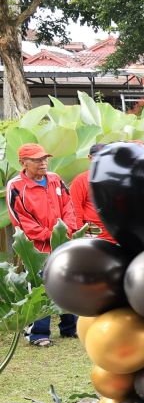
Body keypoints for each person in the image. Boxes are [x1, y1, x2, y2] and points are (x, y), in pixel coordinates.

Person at [6, 143, 80, 346]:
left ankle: (70, 328)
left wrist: (67, 232)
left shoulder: (55, 180)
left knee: (67, 284)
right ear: (23, 163)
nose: (43, 162)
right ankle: (38, 333)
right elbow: (21, 221)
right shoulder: (16, 186)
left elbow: (69, 206)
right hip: (36, 248)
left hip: (63, 243)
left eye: (44, 158)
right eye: (37, 159)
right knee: (39, 287)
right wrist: (51, 236)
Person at [69, 144, 113, 242]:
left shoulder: (115, 178)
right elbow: (75, 210)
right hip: (92, 236)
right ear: (90, 157)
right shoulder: (81, 180)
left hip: (114, 235)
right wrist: (80, 235)